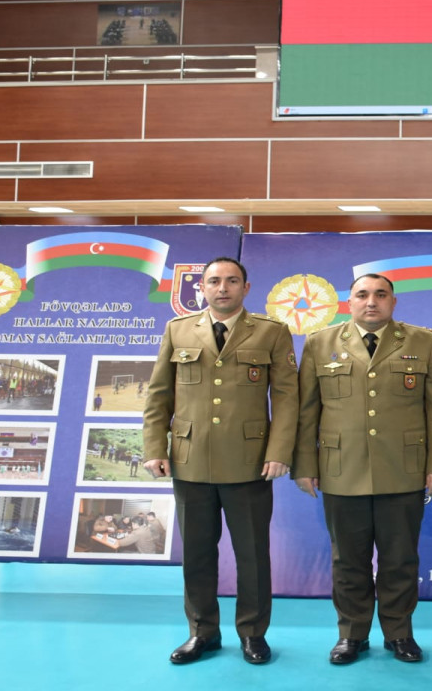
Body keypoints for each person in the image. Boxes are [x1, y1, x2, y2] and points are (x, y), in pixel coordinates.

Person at [293, 273, 432, 665]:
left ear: (393, 302)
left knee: (400, 559)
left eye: (380, 295)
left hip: (402, 469)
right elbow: (305, 412)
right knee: (347, 560)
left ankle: (399, 633)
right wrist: (304, 465)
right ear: (347, 302)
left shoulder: (424, 341)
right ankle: (351, 634)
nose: (372, 302)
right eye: (362, 295)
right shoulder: (320, 343)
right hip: (340, 468)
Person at [143, 257, 299, 666]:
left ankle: (252, 634)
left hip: (249, 463)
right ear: (203, 288)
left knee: (252, 555)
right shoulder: (178, 330)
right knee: (196, 553)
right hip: (191, 460)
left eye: (232, 281)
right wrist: (155, 448)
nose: (223, 288)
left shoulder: (271, 332)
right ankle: (202, 633)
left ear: (247, 288)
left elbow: (286, 398)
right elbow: (159, 396)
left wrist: (279, 451)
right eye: (214, 281)